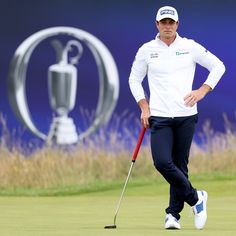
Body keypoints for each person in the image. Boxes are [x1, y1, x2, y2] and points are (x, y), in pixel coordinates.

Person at [129, 5, 225, 230]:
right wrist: (144, 106)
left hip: (186, 116)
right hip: (159, 116)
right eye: (163, 22)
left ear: (177, 25)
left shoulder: (189, 46)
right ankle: (196, 198)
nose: (167, 26)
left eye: (171, 22)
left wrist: (202, 90)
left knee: (180, 166)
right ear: (157, 25)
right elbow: (134, 79)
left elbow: (218, 66)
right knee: (162, 162)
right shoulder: (147, 50)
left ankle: (173, 215)